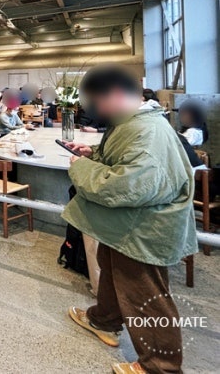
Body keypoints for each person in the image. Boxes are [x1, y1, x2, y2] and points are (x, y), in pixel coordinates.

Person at [63, 65, 197, 374]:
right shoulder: (134, 122)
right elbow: (125, 156)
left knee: (145, 294)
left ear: (117, 94)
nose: (94, 108)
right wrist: (92, 153)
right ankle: (104, 320)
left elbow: (125, 185)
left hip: (143, 228)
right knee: (111, 269)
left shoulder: (148, 131)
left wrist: (80, 167)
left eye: (97, 100)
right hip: (127, 225)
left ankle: (161, 366)